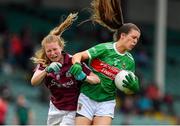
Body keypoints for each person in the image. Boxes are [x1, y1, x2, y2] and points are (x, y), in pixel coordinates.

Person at [69, 0, 141, 125]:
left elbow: (127, 89)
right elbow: (78, 56)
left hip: (106, 102)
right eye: (133, 37)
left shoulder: (130, 61)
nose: (135, 41)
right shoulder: (104, 48)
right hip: (87, 97)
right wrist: (76, 64)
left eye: (137, 39)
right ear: (122, 36)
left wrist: (133, 89)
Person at [30, 13, 100, 125]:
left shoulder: (74, 61)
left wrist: (84, 77)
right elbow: (34, 81)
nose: (52, 53)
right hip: (55, 107)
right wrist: (46, 70)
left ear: (61, 47)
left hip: (74, 109)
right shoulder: (44, 64)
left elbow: (96, 79)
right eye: (49, 51)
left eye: (55, 49)